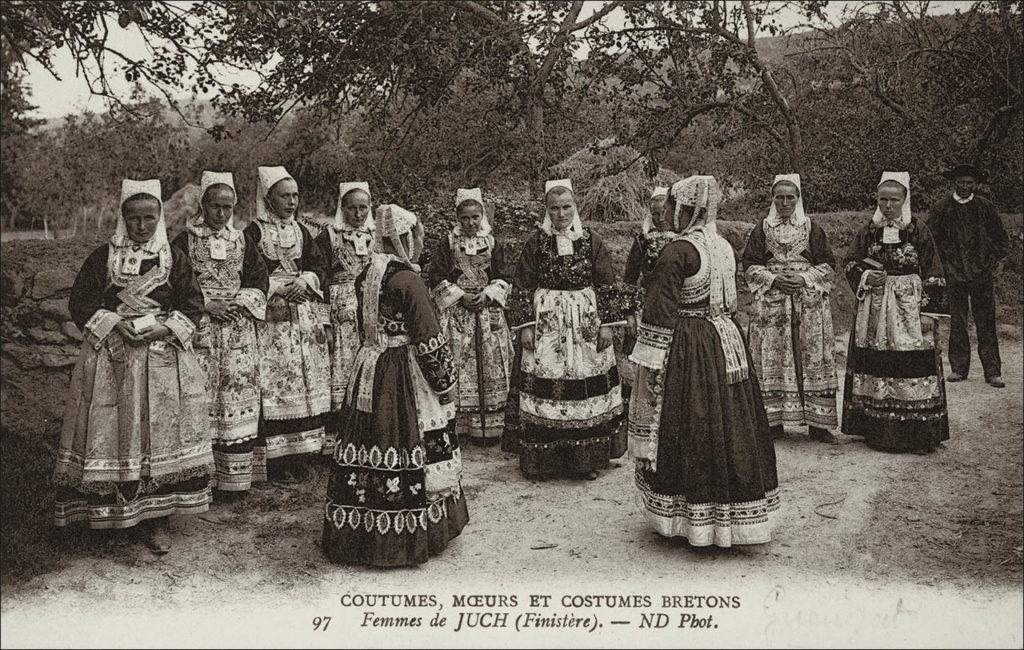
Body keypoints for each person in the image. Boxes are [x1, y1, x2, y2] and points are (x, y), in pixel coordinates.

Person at [55, 179, 210, 553]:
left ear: (159, 218)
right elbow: (81, 302)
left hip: (161, 359)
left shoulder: (174, 258)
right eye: (134, 218)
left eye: (149, 218)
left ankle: (156, 520)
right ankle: (112, 516)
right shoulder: (102, 257)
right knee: (116, 432)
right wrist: (113, 323)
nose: (142, 225)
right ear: (123, 218)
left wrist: (162, 326)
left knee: (157, 437)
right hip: (113, 360)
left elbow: (192, 304)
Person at [627, 175, 780, 547]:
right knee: (729, 421)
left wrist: (647, 360)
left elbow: (660, 308)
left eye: (676, 207)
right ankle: (729, 516)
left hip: (689, 343)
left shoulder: (678, 250)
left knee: (689, 419)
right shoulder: (724, 246)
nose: (671, 214)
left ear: (688, 208)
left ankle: (689, 519)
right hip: (725, 338)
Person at [322, 204, 467, 567]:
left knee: (367, 440)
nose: (418, 243)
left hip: (369, 365)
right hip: (403, 370)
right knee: (404, 438)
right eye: (414, 236)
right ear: (404, 238)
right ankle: (405, 538)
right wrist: (445, 383)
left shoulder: (366, 273)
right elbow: (429, 338)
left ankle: (359, 534)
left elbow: (363, 327)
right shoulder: (408, 280)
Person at [503, 179, 638, 480]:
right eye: (554, 208)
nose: (561, 214)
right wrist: (526, 326)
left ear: (575, 207)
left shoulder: (591, 240)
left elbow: (606, 283)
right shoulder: (536, 241)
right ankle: (542, 462)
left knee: (584, 385)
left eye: (566, 207)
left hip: (584, 323)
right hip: (547, 323)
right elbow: (522, 284)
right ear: (546, 210)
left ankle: (585, 461)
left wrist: (607, 326)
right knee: (545, 383)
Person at [171, 172, 268, 494]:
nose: (222, 214)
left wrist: (239, 301)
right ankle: (198, 476)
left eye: (228, 207)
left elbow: (258, 280)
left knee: (235, 397)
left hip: (237, 329)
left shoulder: (242, 241)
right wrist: (207, 304)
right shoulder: (184, 240)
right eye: (215, 207)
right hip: (202, 330)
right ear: (203, 205)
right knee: (199, 396)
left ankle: (234, 479)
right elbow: (175, 283)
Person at [842, 171, 949, 452]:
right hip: (875, 308)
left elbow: (934, 270)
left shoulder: (917, 230)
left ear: (904, 199)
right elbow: (850, 263)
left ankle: (917, 433)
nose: (888, 205)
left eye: (894, 200)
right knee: (876, 361)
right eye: (883, 199)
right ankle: (876, 430)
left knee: (911, 360)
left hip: (909, 308)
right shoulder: (869, 231)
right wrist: (866, 276)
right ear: (877, 200)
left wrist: (929, 312)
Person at [244, 166, 331, 483]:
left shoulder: (302, 231)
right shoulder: (253, 232)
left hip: (302, 317)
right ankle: (277, 461)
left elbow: (319, 264)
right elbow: (246, 273)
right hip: (272, 322)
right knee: (275, 384)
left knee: (305, 383)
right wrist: (276, 287)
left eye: (295, 196)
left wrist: (306, 280)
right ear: (269, 198)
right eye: (285, 196)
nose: (292, 202)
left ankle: (303, 455)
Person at [741, 174, 839, 442]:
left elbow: (828, 264)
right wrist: (773, 279)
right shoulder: (761, 229)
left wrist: (803, 278)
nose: (785, 202)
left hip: (807, 303)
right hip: (773, 304)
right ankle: (773, 421)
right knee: (773, 356)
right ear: (772, 199)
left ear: (798, 199)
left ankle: (818, 423)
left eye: (790, 197)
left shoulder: (812, 228)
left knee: (811, 355)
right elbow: (749, 264)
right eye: (779, 197)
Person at [427, 187, 514, 445]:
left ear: (482, 215)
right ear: (457, 217)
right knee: (458, 360)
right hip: (457, 314)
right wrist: (461, 296)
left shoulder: (493, 242)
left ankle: (487, 429)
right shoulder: (448, 243)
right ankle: (460, 425)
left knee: (489, 362)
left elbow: (505, 275)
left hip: (488, 312)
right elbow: (436, 276)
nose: (470, 223)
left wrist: (488, 294)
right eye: (465, 218)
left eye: (475, 217)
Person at [927, 163, 1009, 388]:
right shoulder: (941, 208)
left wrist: (990, 262)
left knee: (986, 321)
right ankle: (959, 368)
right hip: (953, 275)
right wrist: (942, 266)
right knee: (957, 322)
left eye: (969, 183)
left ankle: (992, 371)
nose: (965, 186)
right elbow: (931, 241)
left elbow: (1001, 239)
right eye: (961, 182)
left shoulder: (986, 207)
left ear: (976, 184)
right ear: (954, 183)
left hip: (981, 275)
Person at [317, 181, 375, 454]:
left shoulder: (378, 236)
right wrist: (325, 321)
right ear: (342, 208)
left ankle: (371, 433)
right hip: (343, 318)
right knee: (343, 372)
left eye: (363, 207)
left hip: (373, 314)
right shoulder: (329, 236)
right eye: (352, 208)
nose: (358, 214)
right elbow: (319, 279)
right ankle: (339, 439)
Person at [621, 186, 677, 402]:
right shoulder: (643, 239)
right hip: (649, 304)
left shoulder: (684, 238)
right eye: (654, 213)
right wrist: (629, 311)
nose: (660, 218)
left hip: (675, 303)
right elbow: (630, 277)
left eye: (663, 212)